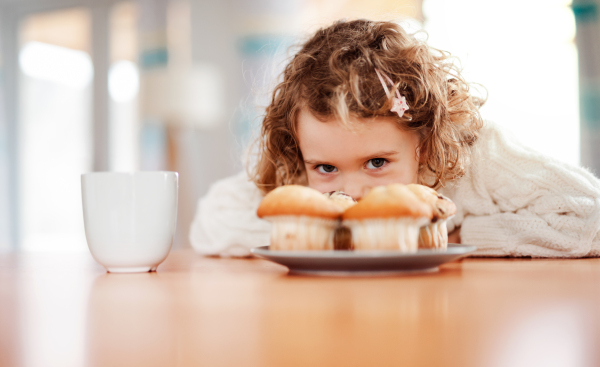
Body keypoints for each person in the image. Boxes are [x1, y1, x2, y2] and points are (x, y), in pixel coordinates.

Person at [190, 19, 600, 258]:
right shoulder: (297, 177)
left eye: (377, 163)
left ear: (423, 141)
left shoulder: (476, 158)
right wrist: (329, 238)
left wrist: (458, 236)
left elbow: (589, 217)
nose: (353, 192)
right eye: (327, 168)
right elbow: (211, 222)